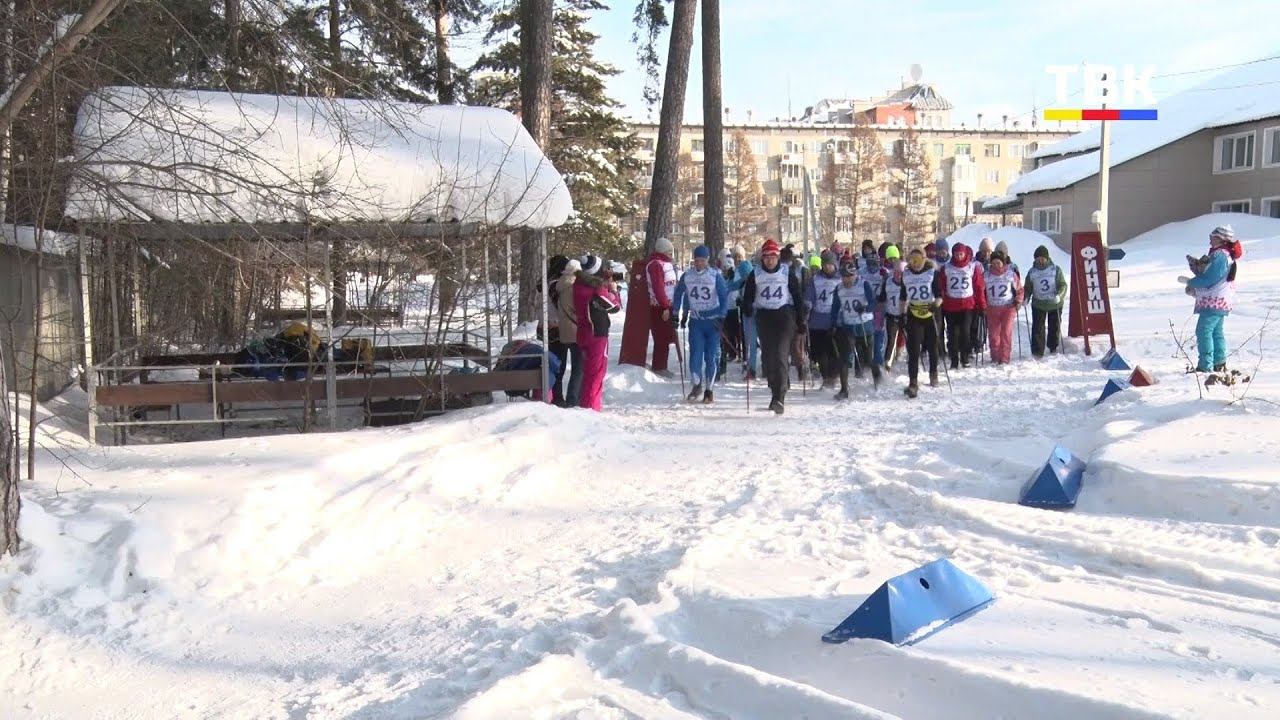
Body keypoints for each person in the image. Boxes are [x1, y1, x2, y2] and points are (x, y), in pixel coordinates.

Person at [742, 238, 805, 414]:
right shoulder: (755, 274)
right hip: (764, 316)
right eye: (767, 257)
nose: (770, 260)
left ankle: (779, 396)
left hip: (783, 315)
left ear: (778, 257)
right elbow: (748, 296)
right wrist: (746, 306)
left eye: (773, 257)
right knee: (768, 357)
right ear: (762, 258)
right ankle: (774, 388)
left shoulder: (786, 272)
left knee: (780, 354)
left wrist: (801, 320)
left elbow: (797, 296)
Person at [1183, 225, 1243, 373]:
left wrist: (1191, 282)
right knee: (1216, 331)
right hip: (1221, 299)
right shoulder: (1225, 255)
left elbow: (1210, 278)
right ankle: (1219, 363)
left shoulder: (1220, 256)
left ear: (1221, 238)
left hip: (1213, 300)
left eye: (1212, 236)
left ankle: (1205, 366)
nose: (1210, 239)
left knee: (1203, 331)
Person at [674, 245, 730, 403]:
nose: (699, 263)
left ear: (707, 260)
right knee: (695, 356)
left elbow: (724, 296)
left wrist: (722, 315)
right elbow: (679, 294)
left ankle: (709, 390)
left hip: (712, 322)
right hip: (696, 322)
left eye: (702, 260)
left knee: (711, 356)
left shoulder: (715, 275)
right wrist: (677, 314)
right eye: (696, 260)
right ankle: (697, 385)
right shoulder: (687, 275)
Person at [573, 254, 621, 411]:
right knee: (596, 374)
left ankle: (585, 404)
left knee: (587, 372)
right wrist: (614, 291)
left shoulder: (577, 284)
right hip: (597, 334)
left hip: (583, 332)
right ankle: (592, 407)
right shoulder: (596, 290)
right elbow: (614, 307)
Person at [832, 259, 878, 399]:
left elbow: (873, 303)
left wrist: (865, 308)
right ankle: (844, 389)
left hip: (864, 325)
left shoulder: (863, 284)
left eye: (849, 276)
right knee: (844, 358)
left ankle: (877, 379)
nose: (846, 279)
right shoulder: (839, 288)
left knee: (868, 358)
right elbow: (835, 307)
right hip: (848, 326)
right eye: (844, 276)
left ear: (855, 275)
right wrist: (833, 323)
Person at [937, 241, 985, 368]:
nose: (959, 256)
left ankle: (964, 357)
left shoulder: (972, 267)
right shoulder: (946, 268)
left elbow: (979, 287)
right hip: (951, 305)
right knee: (953, 334)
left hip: (967, 305)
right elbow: (941, 286)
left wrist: (982, 305)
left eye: (961, 254)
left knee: (965, 332)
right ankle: (954, 360)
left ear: (965, 254)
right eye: (957, 254)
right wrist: (940, 299)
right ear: (953, 254)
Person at [901, 247, 940, 398]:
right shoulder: (907, 275)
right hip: (914, 313)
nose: (916, 263)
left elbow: (939, 295)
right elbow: (903, 296)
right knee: (913, 350)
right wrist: (901, 314)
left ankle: (933, 373)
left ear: (924, 259)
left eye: (918, 260)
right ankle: (913, 381)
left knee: (932, 346)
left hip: (930, 313)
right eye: (912, 260)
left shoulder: (932, 273)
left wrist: (935, 305)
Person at [804, 250, 842, 388]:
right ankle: (826, 378)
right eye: (825, 264)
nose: (827, 267)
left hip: (835, 319)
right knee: (821, 352)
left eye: (830, 264)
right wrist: (806, 307)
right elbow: (809, 296)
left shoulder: (840, 279)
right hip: (817, 320)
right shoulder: (815, 279)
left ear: (835, 264)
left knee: (835, 351)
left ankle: (833, 377)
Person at [1025, 245, 1068, 358]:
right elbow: (1028, 287)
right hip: (1038, 303)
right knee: (1038, 328)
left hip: (1054, 303)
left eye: (1042, 258)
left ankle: (1053, 347)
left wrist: (1060, 295)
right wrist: (1026, 298)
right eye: (1038, 259)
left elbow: (1063, 284)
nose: (1040, 261)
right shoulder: (1032, 272)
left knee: (1054, 326)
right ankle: (1037, 351)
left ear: (1047, 258)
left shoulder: (1055, 269)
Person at [644, 237, 679, 378]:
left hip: (667, 305)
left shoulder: (665, 263)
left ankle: (662, 364)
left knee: (666, 336)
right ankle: (659, 366)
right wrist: (665, 306)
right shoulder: (656, 265)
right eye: (669, 251)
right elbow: (658, 288)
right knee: (661, 337)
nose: (671, 254)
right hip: (659, 306)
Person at [552, 257, 583, 407]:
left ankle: (562, 396)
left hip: (564, 331)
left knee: (564, 365)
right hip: (575, 331)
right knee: (578, 367)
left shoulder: (561, 285)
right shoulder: (571, 288)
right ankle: (573, 398)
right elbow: (575, 310)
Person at [983, 251, 1023, 365]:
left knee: (1006, 332)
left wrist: (1018, 301)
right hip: (992, 308)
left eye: (998, 263)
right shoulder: (986, 275)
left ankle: (1005, 357)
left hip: (1008, 307)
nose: (996, 265)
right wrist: (982, 304)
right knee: (994, 334)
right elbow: (980, 290)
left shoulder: (1010, 274)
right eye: (994, 263)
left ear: (1003, 263)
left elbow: (1020, 289)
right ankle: (995, 356)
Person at [779, 243, 809, 385]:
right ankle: (785, 376)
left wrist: (802, 316)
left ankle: (800, 367)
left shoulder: (799, 270)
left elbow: (801, 291)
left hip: (795, 309)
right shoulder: (777, 272)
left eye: (787, 260)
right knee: (784, 345)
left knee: (795, 344)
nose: (786, 263)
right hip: (782, 309)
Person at [858, 252, 889, 376]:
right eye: (870, 264)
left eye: (875, 264)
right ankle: (864, 361)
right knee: (865, 333)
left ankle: (877, 360)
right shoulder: (862, 272)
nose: (873, 267)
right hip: (865, 305)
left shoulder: (883, 273)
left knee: (878, 333)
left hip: (879, 306)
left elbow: (889, 287)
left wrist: (886, 277)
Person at [882, 245, 906, 371]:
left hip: (905, 314)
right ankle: (887, 363)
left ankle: (909, 357)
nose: (898, 276)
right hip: (891, 314)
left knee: (907, 337)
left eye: (901, 274)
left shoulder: (908, 283)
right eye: (896, 273)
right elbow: (882, 297)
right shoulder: (888, 281)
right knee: (891, 339)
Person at [932, 238, 951, 360]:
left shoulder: (951, 262)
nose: (941, 253)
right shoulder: (932, 263)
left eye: (943, 250)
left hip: (950, 298)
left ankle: (952, 347)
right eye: (939, 250)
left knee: (951, 326)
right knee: (938, 326)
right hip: (937, 298)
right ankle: (940, 350)